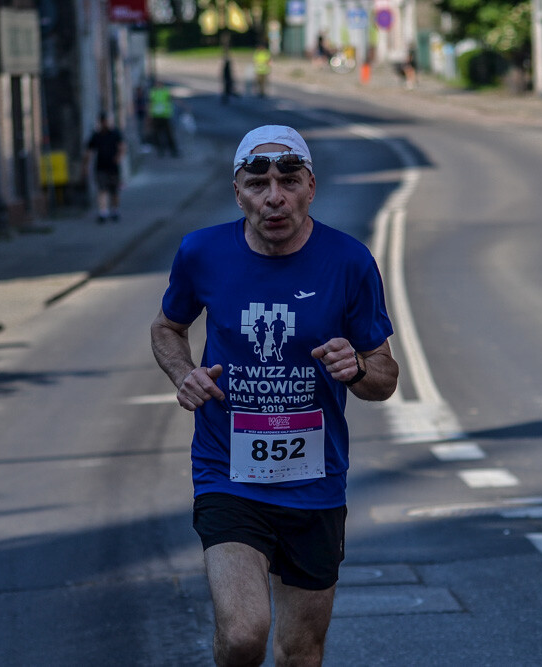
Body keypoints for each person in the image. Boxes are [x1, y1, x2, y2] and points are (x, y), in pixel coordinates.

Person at [150, 125, 398, 666]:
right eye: (257, 183)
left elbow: (385, 375)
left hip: (316, 483)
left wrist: (355, 367)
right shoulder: (202, 253)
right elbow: (167, 328)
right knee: (243, 636)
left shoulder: (350, 261)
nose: (274, 196)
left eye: (288, 180)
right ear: (236, 190)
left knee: (299, 651)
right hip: (228, 473)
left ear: (311, 186)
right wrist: (184, 374)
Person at [84, 111, 125, 223]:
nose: (105, 123)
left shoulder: (115, 133)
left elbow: (122, 147)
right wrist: (86, 166)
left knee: (114, 191)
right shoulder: (96, 135)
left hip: (113, 167)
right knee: (102, 190)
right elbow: (89, 151)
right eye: (103, 121)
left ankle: (115, 210)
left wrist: (118, 158)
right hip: (101, 167)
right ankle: (103, 212)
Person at [149, 78, 179, 158]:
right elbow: (150, 104)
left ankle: (173, 150)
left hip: (165, 116)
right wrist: (150, 116)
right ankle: (160, 151)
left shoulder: (165, 91)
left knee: (169, 134)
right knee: (157, 134)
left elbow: (173, 99)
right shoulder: (153, 92)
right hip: (156, 116)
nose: (158, 85)